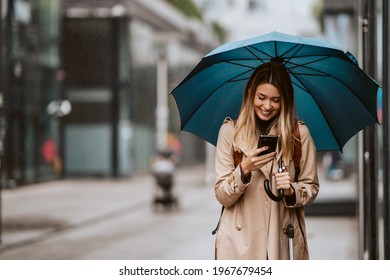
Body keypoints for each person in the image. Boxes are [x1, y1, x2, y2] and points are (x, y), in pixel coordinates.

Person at [213, 58, 319, 260]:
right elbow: (221, 195)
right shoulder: (230, 132)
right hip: (239, 246)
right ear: (250, 92)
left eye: (275, 100)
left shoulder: (299, 135)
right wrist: (243, 169)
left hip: (280, 241)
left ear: (285, 100)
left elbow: (311, 187)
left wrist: (290, 190)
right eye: (261, 97)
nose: (267, 106)